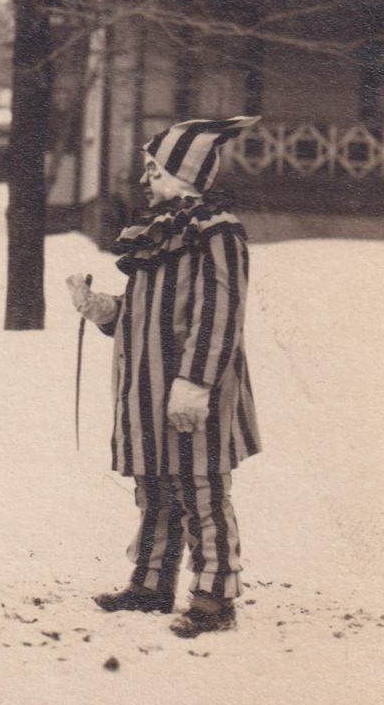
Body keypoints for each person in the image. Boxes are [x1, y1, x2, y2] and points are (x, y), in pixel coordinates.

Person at [68, 115, 261, 639]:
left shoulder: (217, 230)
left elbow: (221, 313)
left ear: (185, 172)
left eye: (154, 170)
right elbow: (148, 312)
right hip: (147, 386)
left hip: (194, 388)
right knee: (154, 486)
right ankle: (152, 584)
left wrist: (195, 384)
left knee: (201, 489)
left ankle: (215, 596)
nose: (144, 180)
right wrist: (105, 309)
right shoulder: (160, 230)